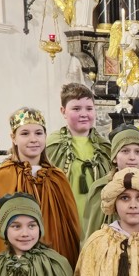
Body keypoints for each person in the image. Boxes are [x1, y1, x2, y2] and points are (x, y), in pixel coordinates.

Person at [0, 107, 81, 268]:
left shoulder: (58, 177)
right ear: (13, 138)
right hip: (16, 261)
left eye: (38, 133)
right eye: (25, 133)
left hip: (55, 258)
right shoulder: (3, 175)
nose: (33, 139)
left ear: (45, 136)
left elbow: (70, 227)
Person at [46, 83, 112, 217]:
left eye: (89, 108)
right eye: (76, 109)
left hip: (98, 219)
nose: (84, 114)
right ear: (63, 111)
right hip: (64, 218)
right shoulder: (51, 145)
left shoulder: (105, 147)